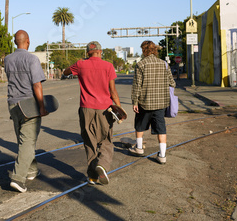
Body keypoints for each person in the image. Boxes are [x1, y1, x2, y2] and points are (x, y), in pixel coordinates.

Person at [63, 41, 121, 185]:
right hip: (105, 109)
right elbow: (112, 91)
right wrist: (119, 109)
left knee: (90, 141)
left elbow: (65, 72)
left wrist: (73, 68)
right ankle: (102, 164)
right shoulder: (108, 66)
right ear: (100, 52)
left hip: (86, 108)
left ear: (88, 52)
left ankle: (92, 176)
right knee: (106, 140)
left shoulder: (80, 64)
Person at [4, 30, 47, 193]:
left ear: (16, 42)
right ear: (27, 41)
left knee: (24, 141)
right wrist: (42, 106)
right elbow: (37, 85)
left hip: (13, 104)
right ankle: (18, 178)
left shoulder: (7, 59)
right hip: (29, 105)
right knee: (28, 142)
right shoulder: (32, 59)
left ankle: (31, 170)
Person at [130, 40, 175, 164]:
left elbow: (137, 85)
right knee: (161, 128)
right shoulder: (164, 64)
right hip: (161, 103)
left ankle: (139, 148)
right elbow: (172, 83)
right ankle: (162, 155)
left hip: (144, 102)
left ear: (144, 50)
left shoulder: (140, 65)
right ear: (155, 50)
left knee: (139, 125)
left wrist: (135, 101)